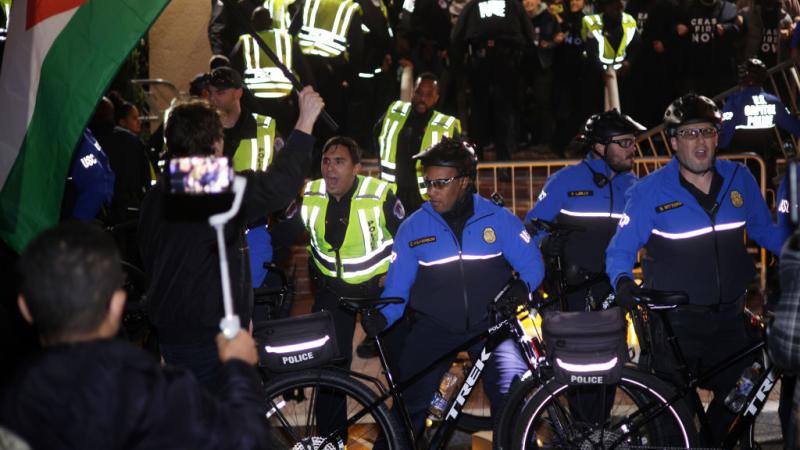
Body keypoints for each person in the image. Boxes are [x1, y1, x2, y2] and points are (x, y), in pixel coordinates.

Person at [605, 93, 784, 445]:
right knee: (674, 426)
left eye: (706, 132)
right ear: (673, 142)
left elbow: (766, 231)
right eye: (689, 134)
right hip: (675, 325)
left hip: (730, 320)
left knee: (743, 399)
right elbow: (619, 250)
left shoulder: (740, 178)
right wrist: (623, 284)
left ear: (717, 136)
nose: (699, 142)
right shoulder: (649, 191)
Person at [0, 221, 271, 449]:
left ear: (25, 308)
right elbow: (246, 440)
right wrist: (240, 367)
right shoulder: (154, 391)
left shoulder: (13, 403)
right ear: (118, 304)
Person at [138, 87, 324, 390]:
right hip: (208, 336)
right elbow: (279, 186)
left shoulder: (160, 191)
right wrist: (305, 122)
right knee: (220, 423)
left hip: (173, 328)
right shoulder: (208, 184)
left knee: (195, 417)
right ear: (215, 143)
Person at [363, 137, 545, 440]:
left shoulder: (497, 219)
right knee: (407, 410)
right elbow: (397, 289)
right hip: (434, 328)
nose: (431, 192)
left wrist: (520, 290)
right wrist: (382, 317)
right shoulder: (413, 227)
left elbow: (533, 266)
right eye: (427, 183)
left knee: (512, 400)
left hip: (492, 325)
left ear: (463, 182)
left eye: (440, 183)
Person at [299, 136, 404, 432]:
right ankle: (331, 441)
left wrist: (393, 279)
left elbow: (406, 242)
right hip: (334, 293)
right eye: (326, 161)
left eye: (339, 162)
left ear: (356, 168)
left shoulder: (380, 194)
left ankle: (404, 434)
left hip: (381, 291)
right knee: (330, 372)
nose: (330, 169)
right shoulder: (310, 194)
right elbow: (284, 233)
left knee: (400, 366)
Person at [526, 110, 644, 312]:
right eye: (624, 143)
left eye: (633, 142)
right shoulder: (564, 180)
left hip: (614, 287)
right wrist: (544, 244)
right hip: (570, 289)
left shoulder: (636, 187)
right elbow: (531, 226)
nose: (632, 148)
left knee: (614, 342)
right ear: (600, 147)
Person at [450, 0, 535, 162]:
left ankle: (478, 157)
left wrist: (460, 67)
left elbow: (456, 36)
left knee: (479, 111)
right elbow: (530, 35)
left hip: (482, 60)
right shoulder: (513, 5)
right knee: (504, 113)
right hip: (505, 62)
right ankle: (503, 163)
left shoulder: (474, 5)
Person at [375, 72, 462, 214]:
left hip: (426, 199)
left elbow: (460, 163)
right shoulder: (394, 112)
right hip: (392, 194)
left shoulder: (446, 125)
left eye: (428, 95)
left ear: (436, 98)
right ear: (412, 92)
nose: (422, 98)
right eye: (419, 92)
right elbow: (377, 136)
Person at [719, 58, 800, 189]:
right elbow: (795, 127)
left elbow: (723, 141)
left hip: (741, 171)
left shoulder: (735, 101)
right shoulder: (773, 101)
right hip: (766, 171)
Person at [207, 66, 279, 172]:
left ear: (238, 93)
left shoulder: (265, 128)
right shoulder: (201, 129)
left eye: (220, 92)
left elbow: (284, 169)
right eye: (210, 92)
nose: (212, 98)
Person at [61, 128, 115, 222]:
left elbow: (98, 184)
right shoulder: (84, 133)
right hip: (89, 214)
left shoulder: (77, 134)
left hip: (76, 219)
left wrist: (76, 223)